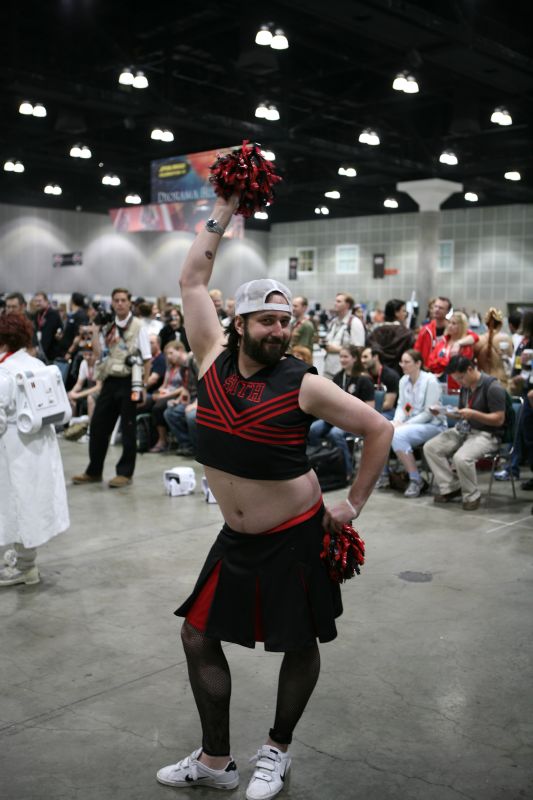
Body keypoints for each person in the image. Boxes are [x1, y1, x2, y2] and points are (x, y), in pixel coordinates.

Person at [156, 193, 392, 799]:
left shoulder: (305, 383)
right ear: (239, 324)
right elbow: (192, 276)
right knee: (196, 635)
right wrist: (225, 207)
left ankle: (277, 750)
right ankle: (214, 760)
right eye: (267, 320)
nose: (279, 331)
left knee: (299, 641)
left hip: (294, 536)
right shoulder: (211, 357)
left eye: (286, 321)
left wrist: (352, 505)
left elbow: (379, 429)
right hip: (235, 538)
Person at [0, 313, 70, 586]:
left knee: (15, 506)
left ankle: (24, 568)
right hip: (39, 447)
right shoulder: (37, 363)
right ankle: (25, 561)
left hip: (13, 449)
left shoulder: (3, 372)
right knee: (29, 504)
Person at [72, 288, 151, 488]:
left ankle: (125, 473)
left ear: (130, 303)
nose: (119, 304)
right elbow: (98, 354)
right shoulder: (109, 326)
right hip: (109, 380)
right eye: (116, 300)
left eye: (123, 300)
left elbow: (147, 358)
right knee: (98, 425)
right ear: (112, 302)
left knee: (128, 428)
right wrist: (96, 330)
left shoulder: (138, 326)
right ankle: (94, 471)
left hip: (129, 380)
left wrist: (143, 386)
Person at [423, 356, 507, 510]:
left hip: (487, 434)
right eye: (457, 379)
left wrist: (474, 414)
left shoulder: (493, 387)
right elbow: (463, 413)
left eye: (461, 378)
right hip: (465, 429)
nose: (460, 382)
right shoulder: (466, 387)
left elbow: (499, 419)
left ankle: (471, 495)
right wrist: (445, 412)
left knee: (461, 458)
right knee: (431, 447)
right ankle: (451, 487)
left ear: (470, 369)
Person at [384, 349, 446, 497]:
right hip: (411, 424)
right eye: (401, 362)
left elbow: (429, 412)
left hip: (434, 425)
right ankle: (384, 475)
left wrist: (405, 424)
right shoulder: (403, 380)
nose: (402, 365)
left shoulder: (430, 381)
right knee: (385, 429)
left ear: (418, 363)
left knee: (398, 434)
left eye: (407, 362)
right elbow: (401, 405)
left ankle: (415, 479)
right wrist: (398, 420)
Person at [308, 345, 375, 481]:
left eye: (345, 357)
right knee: (313, 429)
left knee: (335, 433)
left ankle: (346, 470)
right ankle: (322, 462)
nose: (342, 360)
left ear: (355, 359)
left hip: (355, 420)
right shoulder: (339, 377)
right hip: (336, 418)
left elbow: (370, 408)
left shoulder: (364, 379)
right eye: (341, 357)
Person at [426, 311, 475, 391]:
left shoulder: (466, 346)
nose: (450, 326)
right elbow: (431, 362)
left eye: (454, 323)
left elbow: (460, 366)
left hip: (457, 385)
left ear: (461, 326)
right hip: (438, 381)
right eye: (449, 323)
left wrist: (442, 363)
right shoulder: (443, 341)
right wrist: (444, 363)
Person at [322, 292, 366, 378]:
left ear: (347, 305)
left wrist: (337, 349)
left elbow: (359, 348)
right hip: (328, 368)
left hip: (345, 371)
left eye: (339, 301)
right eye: (335, 301)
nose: (335, 303)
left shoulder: (355, 322)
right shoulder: (333, 322)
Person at [367, 298, 414, 376]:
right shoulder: (406, 334)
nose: (406, 314)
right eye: (404, 311)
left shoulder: (375, 332)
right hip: (399, 373)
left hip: (378, 374)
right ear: (396, 313)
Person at [473, 308, 513, 386]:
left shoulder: (478, 340)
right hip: (500, 381)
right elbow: (511, 361)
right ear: (501, 324)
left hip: (481, 382)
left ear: (486, 323)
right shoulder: (505, 338)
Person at [360, 345, 399, 419]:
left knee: (371, 421)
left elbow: (389, 404)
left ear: (375, 357)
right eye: (361, 357)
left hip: (387, 411)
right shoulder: (363, 376)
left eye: (365, 357)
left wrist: (367, 410)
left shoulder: (390, 376)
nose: (362, 360)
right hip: (367, 410)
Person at [413, 296, 452, 367]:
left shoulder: (452, 329)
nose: (437, 309)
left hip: (446, 370)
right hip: (427, 369)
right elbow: (416, 351)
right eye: (435, 306)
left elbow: (473, 336)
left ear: (448, 311)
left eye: (441, 308)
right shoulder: (425, 330)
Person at [32, 291, 63, 363]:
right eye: (36, 301)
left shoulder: (53, 314)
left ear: (46, 301)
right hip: (38, 352)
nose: (37, 303)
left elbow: (59, 330)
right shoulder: (36, 315)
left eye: (40, 301)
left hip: (51, 353)